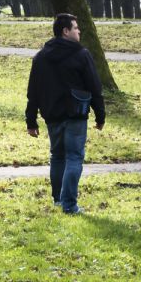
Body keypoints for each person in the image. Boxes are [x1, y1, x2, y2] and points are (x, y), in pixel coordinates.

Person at [26, 13, 106, 214]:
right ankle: (69, 205)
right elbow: (94, 87)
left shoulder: (41, 57)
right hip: (76, 115)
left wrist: (31, 120)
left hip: (52, 115)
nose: (79, 31)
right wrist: (100, 115)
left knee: (57, 157)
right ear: (65, 31)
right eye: (76, 28)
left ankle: (58, 200)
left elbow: (33, 91)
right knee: (73, 157)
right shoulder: (81, 55)